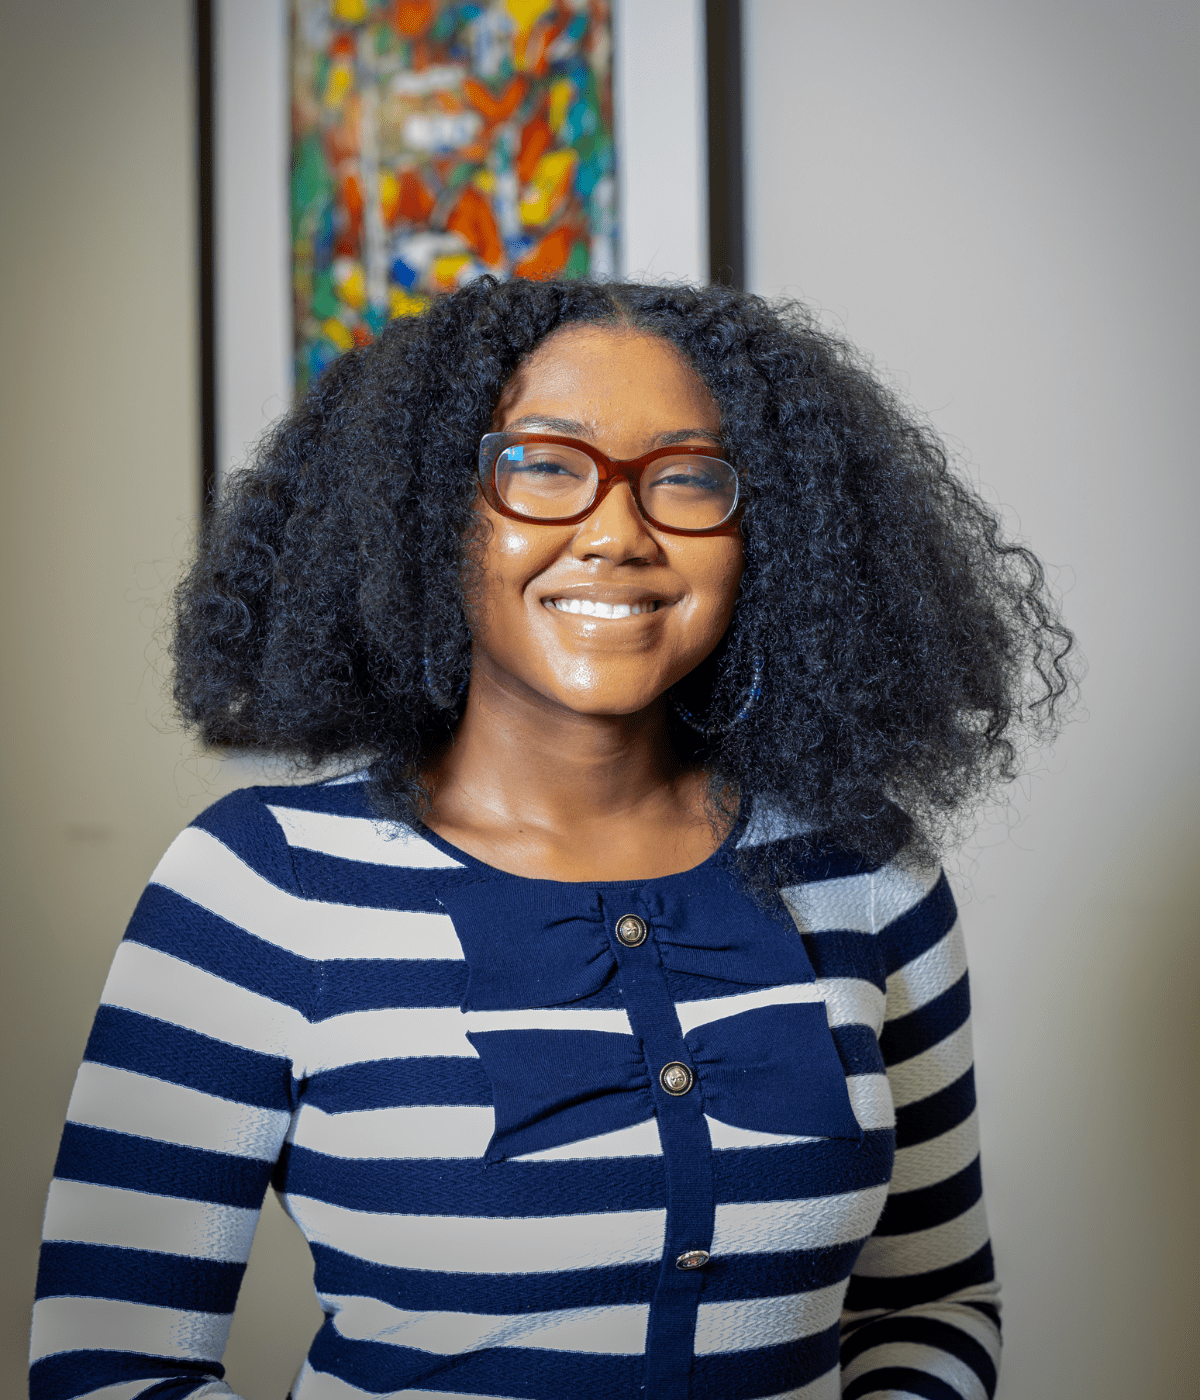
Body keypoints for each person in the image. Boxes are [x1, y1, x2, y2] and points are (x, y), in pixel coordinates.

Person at [31, 278, 1073, 1400]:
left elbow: (934, 1299)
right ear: (435, 509)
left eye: (685, 476)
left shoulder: (867, 871)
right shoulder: (259, 882)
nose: (618, 532)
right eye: (543, 465)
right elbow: (107, 1357)